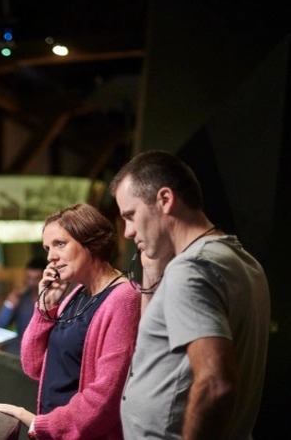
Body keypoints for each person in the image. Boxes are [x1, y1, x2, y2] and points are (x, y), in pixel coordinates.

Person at [109, 150, 270, 439]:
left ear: (165, 200)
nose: (128, 232)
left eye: (130, 216)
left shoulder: (191, 269)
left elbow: (215, 384)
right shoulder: (243, 261)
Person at [0, 203, 140, 440]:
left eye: (60, 244)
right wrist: (46, 306)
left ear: (91, 242)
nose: (51, 257)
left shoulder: (124, 298)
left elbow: (105, 399)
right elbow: (33, 365)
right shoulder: (77, 292)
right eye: (47, 248)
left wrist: (40, 424)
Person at [0, 256, 48, 354]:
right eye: (29, 278)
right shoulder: (21, 298)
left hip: (45, 349)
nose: (32, 282)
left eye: (36, 279)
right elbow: (0, 325)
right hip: (20, 348)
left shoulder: (55, 300)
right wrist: (9, 305)